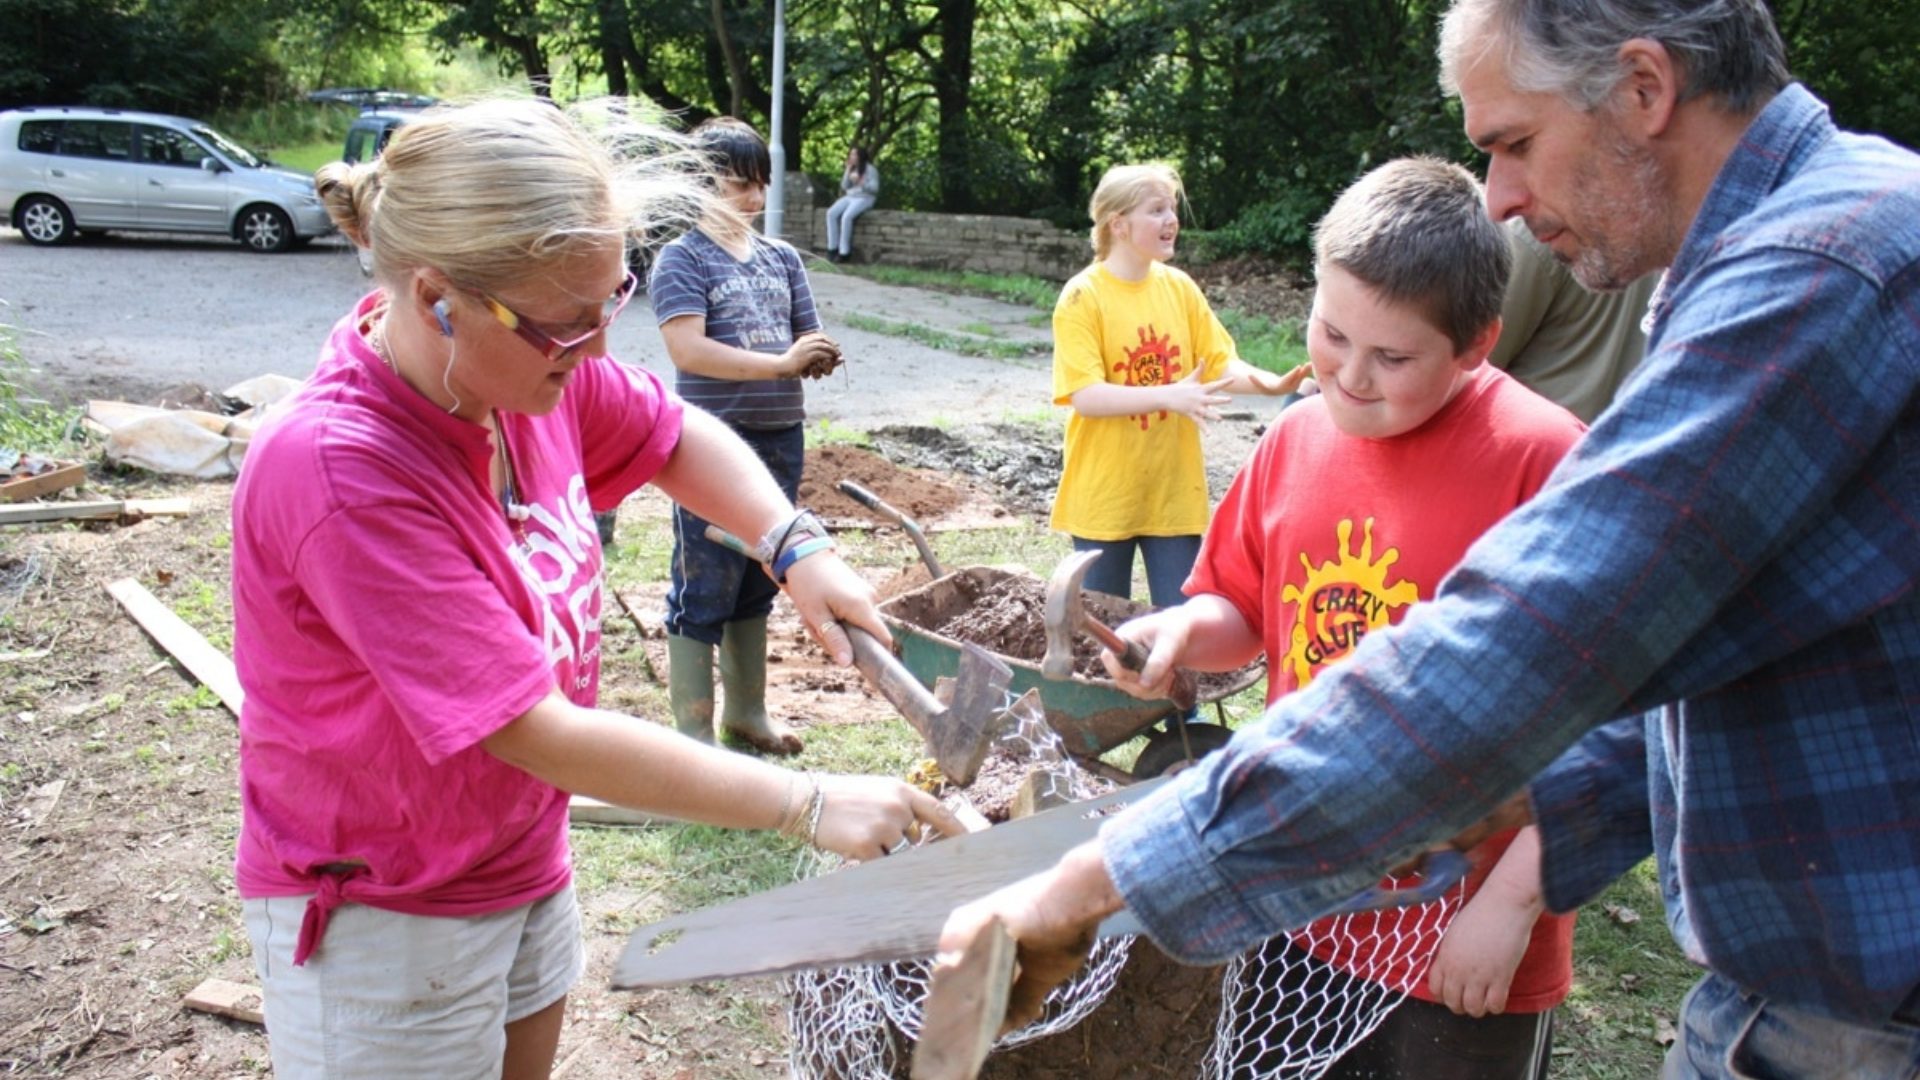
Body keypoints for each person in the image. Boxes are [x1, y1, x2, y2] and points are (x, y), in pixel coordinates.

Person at [941, 3, 1920, 1076]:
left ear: (1644, 89)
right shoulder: (1817, 243)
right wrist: (1493, 798)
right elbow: (1689, 685)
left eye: (1515, 142)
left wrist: (1099, 879)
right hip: (1803, 1003)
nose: (1499, 196)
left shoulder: (1822, 270)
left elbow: (1519, 645)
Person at [236, 97, 957, 1080]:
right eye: (568, 327)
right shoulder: (341, 471)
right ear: (438, 297)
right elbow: (531, 729)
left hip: (517, 852)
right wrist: (807, 800)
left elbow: (673, 432)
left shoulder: (522, 375)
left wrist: (792, 542)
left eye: (610, 304)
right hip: (384, 908)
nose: (597, 352)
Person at [1106, 157, 1584, 1078]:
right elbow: (1245, 608)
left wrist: (1513, 902)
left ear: (1477, 344)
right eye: (1331, 333)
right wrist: (1181, 633)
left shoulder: (1547, 462)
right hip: (1295, 894)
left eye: (1393, 358)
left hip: (1465, 925)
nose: (1351, 377)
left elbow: (1605, 718)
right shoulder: (1295, 434)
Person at [648, 117, 843, 756]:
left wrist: (814, 355)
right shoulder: (682, 258)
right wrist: (781, 364)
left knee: (763, 575)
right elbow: (689, 350)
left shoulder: (781, 258)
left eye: (762, 184)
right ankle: (694, 737)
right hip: (710, 443)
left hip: (780, 437)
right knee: (704, 585)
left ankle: (747, 715)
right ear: (699, 185)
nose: (755, 199)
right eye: (740, 185)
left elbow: (804, 335)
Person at [1050, 162, 1307, 606]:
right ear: (1118, 224)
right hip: (1103, 496)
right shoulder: (1081, 296)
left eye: (1171, 209)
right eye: (1156, 210)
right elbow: (1086, 396)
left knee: (1182, 623)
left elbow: (1216, 364)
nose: (1172, 220)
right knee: (1102, 631)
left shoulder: (1180, 288)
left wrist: (1271, 384)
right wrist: (1170, 395)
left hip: (1173, 494)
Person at [1490, 217, 1659, 422]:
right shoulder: (1654, 222)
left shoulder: (1537, 228)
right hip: (1628, 430)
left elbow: (1466, 366)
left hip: (1534, 434)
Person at [824, 145, 878, 263]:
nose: (851, 156)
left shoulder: (870, 169)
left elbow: (875, 188)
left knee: (846, 217)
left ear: (860, 156)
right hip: (850, 196)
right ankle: (832, 248)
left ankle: (844, 252)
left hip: (864, 198)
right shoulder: (852, 168)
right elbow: (844, 186)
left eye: (854, 154)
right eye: (851, 154)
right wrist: (847, 170)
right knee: (831, 213)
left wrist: (860, 182)